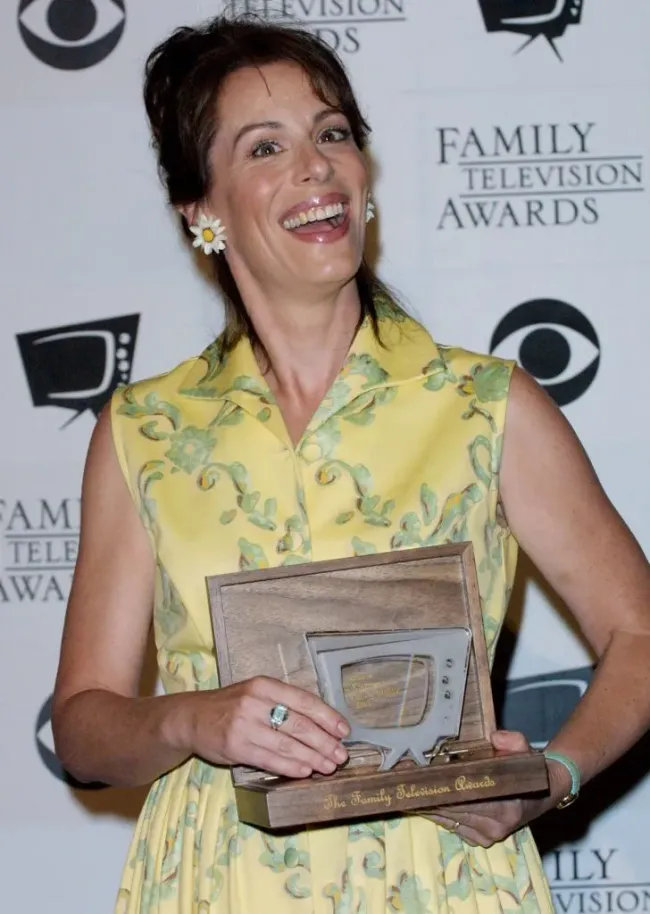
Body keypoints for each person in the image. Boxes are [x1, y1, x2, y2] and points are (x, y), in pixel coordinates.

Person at [51, 13, 650, 914]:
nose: (315, 166)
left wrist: (554, 774)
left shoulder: (487, 406)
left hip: (441, 876)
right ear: (202, 211)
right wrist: (190, 717)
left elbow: (641, 638)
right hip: (220, 880)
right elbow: (85, 725)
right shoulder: (144, 429)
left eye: (333, 134)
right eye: (266, 147)